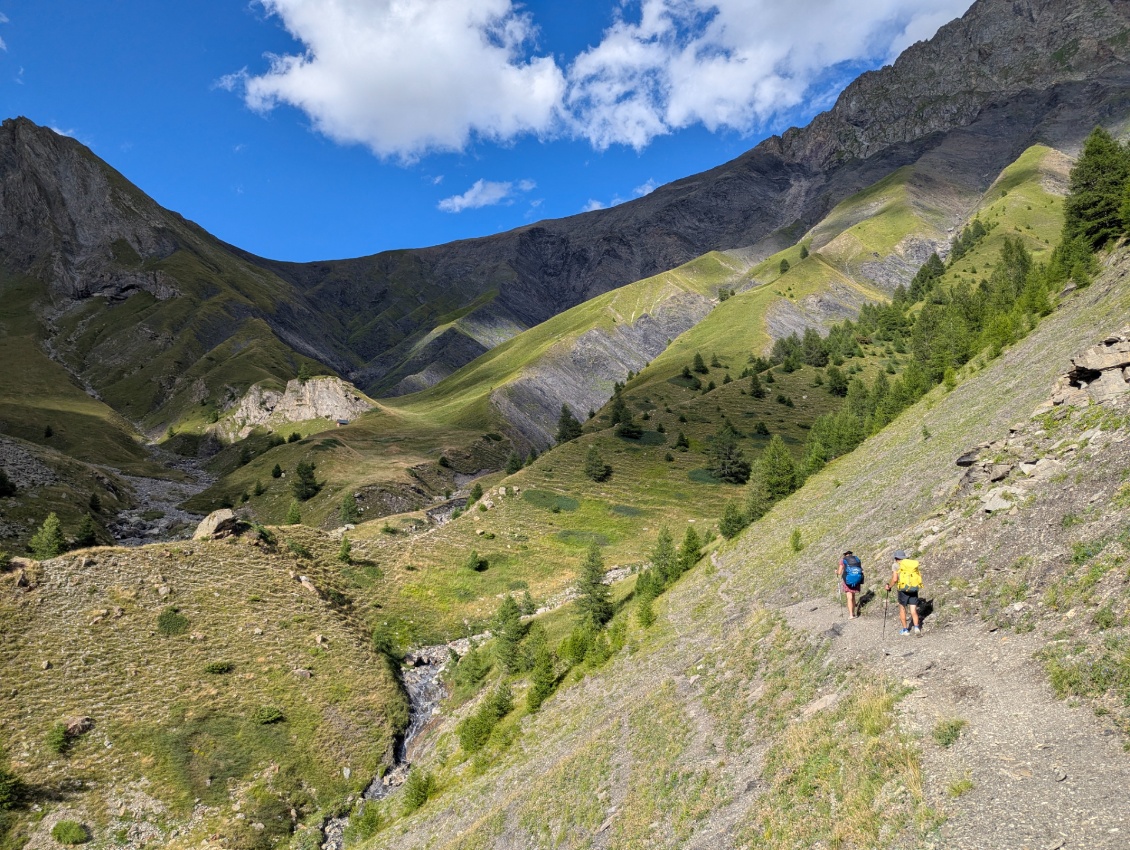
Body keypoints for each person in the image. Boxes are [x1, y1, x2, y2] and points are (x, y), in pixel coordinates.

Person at [886, 550, 923, 636]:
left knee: (902, 609)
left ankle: (905, 630)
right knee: (913, 610)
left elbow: (895, 579)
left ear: (896, 558)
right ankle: (917, 627)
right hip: (913, 588)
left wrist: (889, 586)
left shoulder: (895, 565)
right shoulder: (911, 564)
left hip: (902, 590)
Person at [837, 550, 864, 618]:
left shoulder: (843, 560)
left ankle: (851, 615)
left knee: (849, 597)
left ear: (845, 554)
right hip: (857, 580)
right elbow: (861, 569)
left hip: (847, 581)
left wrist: (836, 572)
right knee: (853, 596)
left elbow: (839, 572)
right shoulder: (856, 559)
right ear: (851, 554)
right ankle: (854, 613)